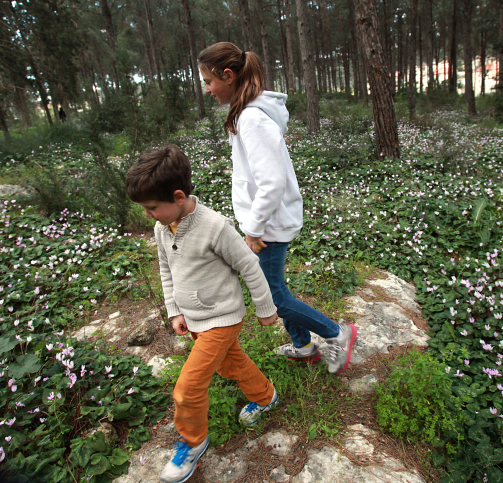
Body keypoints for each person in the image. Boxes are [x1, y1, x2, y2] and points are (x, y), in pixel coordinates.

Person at [197, 42, 357, 375]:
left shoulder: (253, 119)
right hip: (265, 222)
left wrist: (253, 230)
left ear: (228, 75)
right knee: (275, 287)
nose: (208, 90)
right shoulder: (248, 114)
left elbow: (272, 182)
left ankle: (337, 333)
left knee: (273, 297)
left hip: (267, 226)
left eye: (209, 82)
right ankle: (303, 346)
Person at [126, 144, 280, 483]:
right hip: (193, 317)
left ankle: (193, 443)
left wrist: (266, 309)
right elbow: (166, 269)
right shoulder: (162, 227)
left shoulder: (215, 227)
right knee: (231, 362)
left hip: (222, 317)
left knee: (188, 388)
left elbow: (250, 267)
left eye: (152, 207)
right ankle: (266, 396)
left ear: (178, 197)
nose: (148, 214)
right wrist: (174, 310)